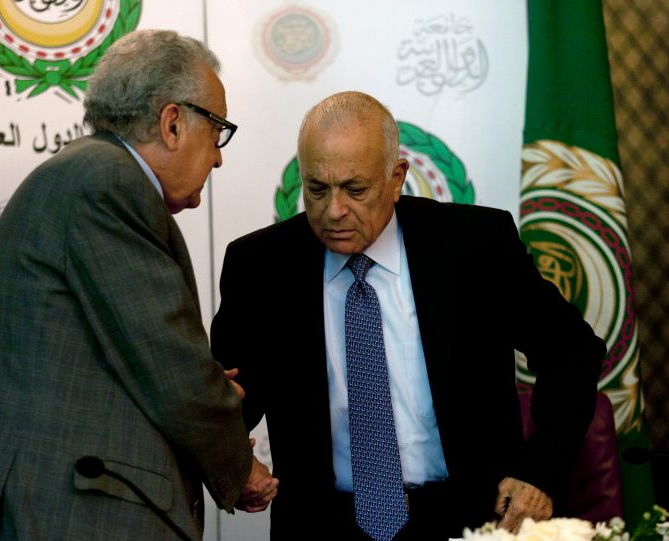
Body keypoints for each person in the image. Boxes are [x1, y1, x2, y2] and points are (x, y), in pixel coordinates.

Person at [210, 91, 605, 540]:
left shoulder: (475, 244)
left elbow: (572, 351)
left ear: (397, 177)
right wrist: (232, 460)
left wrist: (541, 471)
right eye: (317, 189)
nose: (334, 210)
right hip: (322, 524)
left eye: (355, 189)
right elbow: (227, 395)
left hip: (468, 516)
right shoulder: (261, 264)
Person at [0, 29, 277, 541]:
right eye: (217, 132)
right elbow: (167, 362)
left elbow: (119, 358)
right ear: (172, 122)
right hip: (68, 515)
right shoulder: (109, 184)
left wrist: (206, 388)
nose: (218, 157)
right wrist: (237, 463)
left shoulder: (83, 175)